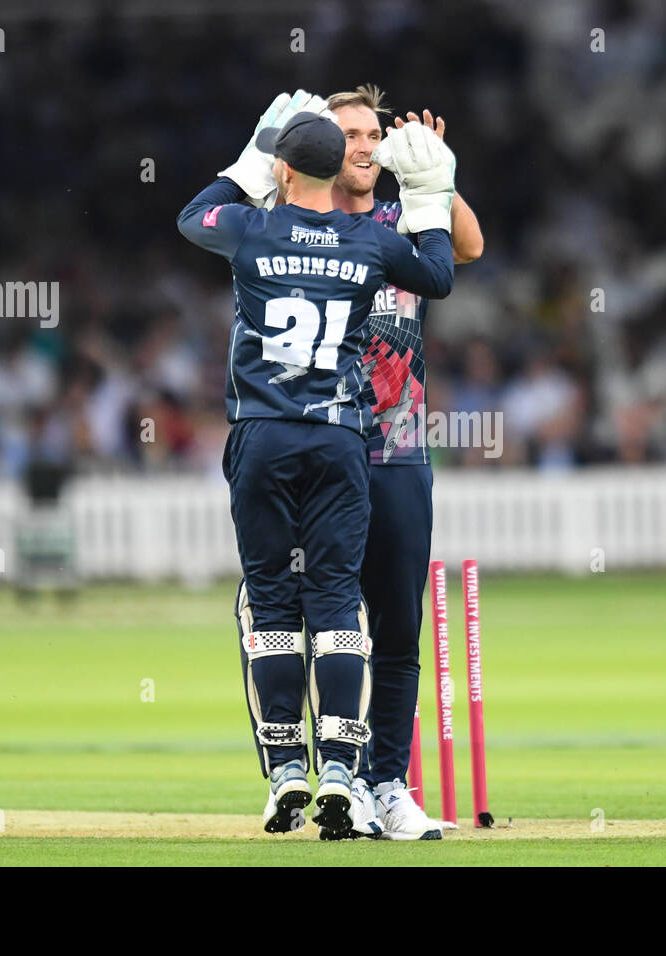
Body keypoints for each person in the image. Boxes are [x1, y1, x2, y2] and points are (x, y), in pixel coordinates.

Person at [177, 90, 456, 837]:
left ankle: (286, 772)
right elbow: (439, 273)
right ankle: (340, 767)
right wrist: (430, 193)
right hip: (339, 438)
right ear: (339, 170)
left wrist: (249, 160)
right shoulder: (368, 242)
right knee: (337, 604)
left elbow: (193, 215)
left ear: (282, 169)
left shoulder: (251, 229)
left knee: (272, 605)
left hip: (263, 433)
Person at [322, 84, 484, 840]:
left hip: (400, 450)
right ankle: (337, 780)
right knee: (330, 629)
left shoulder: (404, 219)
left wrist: (437, 174)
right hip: (324, 446)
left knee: (396, 629)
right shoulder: (300, 228)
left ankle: (388, 785)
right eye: (346, 135)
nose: (361, 146)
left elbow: (469, 247)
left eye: (370, 135)